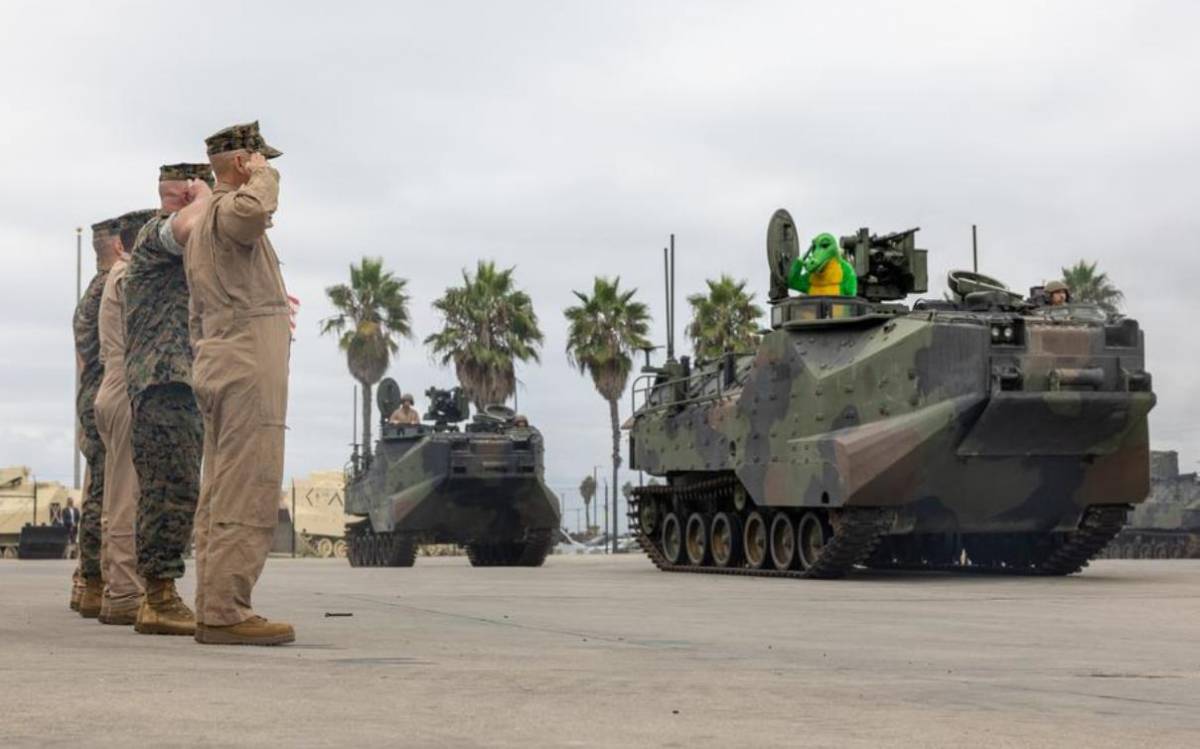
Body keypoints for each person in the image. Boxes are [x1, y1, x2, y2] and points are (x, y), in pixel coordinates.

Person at [186, 121, 295, 646]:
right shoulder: (231, 210)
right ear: (239, 162)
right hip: (247, 359)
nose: (263, 166)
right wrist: (264, 177)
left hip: (222, 354)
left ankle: (215, 605)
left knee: (222, 486)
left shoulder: (204, 222)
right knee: (247, 483)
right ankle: (226, 610)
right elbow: (253, 212)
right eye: (256, 158)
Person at [124, 163, 214, 636]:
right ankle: (159, 597)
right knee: (170, 490)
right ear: (186, 194)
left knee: (176, 486)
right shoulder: (156, 234)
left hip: (175, 382)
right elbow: (188, 226)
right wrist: (204, 200)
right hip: (162, 382)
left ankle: (158, 595)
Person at [93, 208, 156, 626]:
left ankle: (117, 584)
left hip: (114, 383)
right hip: (126, 383)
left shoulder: (116, 275)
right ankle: (124, 590)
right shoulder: (129, 276)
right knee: (126, 494)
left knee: (119, 490)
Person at [73, 215, 123, 618]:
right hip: (103, 393)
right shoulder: (109, 287)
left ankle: (88, 582)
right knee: (104, 492)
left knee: (98, 488)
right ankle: (94, 581)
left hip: (90, 395)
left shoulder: (93, 289)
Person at [787, 233, 857, 297]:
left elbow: (850, 295)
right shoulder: (811, 276)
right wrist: (800, 261)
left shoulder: (845, 270)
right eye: (814, 248)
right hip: (815, 307)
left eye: (824, 245)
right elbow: (793, 282)